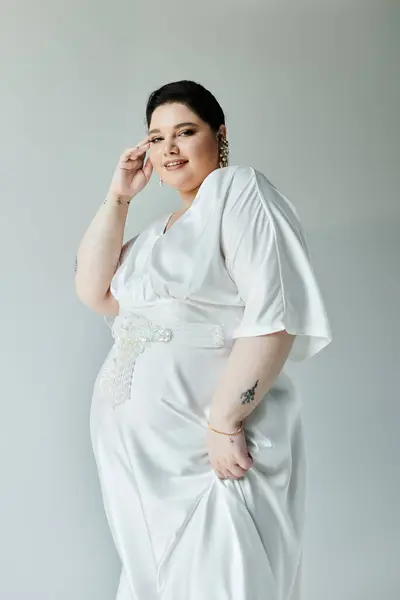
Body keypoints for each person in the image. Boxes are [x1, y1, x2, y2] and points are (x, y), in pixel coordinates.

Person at [75, 80, 332, 600]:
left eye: (185, 131)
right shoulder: (157, 234)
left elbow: (274, 313)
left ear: (219, 135)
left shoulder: (239, 191)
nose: (168, 148)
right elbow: (93, 290)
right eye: (156, 137)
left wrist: (224, 421)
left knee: (221, 576)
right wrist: (119, 196)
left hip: (207, 450)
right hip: (142, 460)